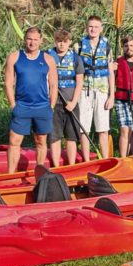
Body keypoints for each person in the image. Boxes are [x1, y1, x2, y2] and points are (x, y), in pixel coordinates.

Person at [4, 27, 58, 173]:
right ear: (24, 39)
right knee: (14, 142)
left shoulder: (48, 59)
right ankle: (10, 176)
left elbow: (54, 85)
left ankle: (39, 174)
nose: (32, 43)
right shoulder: (14, 57)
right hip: (21, 106)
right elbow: (8, 83)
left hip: (42, 107)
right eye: (29, 39)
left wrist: (51, 106)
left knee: (40, 141)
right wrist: (13, 105)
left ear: (41, 40)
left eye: (35, 39)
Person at [77, 15, 114, 161]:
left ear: (101, 29)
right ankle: (86, 161)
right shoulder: (79, 45)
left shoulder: (107, 46)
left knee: (103, 129)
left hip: (102, 91)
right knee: (84, 129)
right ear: (87, 27)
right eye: (90, 26)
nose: (93, 29)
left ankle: (104, 160)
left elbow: (111, 72)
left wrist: (112, 96)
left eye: (96, 27)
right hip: (83, 91)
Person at [48, 28, 84, 167]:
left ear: (69, 42)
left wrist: (73, 102)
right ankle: (56, 166)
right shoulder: (48, 56)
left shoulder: (76, 58)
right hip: (53, 103)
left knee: (71, 137)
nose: (61, 44)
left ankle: (71, 165)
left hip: (70, 104)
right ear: (55, 41)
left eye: (64, 41)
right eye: (58, 41)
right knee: (54, 137)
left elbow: (79, 82)